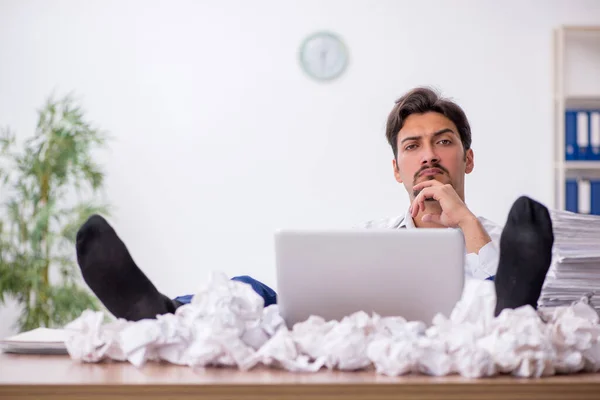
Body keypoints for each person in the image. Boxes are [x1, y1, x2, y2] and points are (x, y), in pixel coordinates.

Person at [74, 87, 554, 322]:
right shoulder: (372, 233)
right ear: (396, 169)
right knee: (262, 291)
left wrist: (464, 220)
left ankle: (512, 306)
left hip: (478, 319)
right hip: (371, 334)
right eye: (412, 146)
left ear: (467, 159)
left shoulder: (503, 237)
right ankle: (163, 312)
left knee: (493, 298)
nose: (428, 155)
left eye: (443, 142)